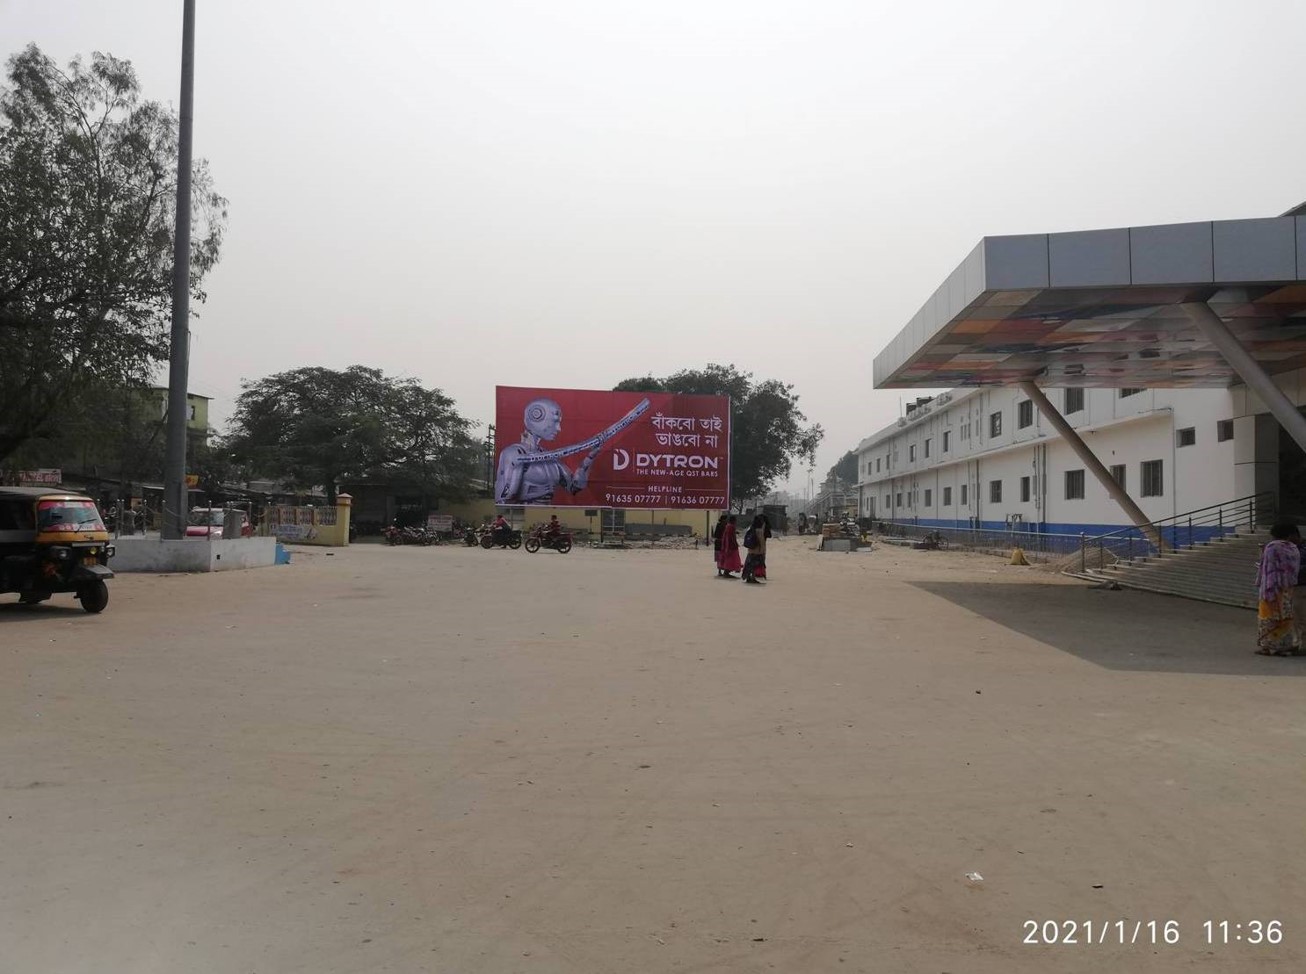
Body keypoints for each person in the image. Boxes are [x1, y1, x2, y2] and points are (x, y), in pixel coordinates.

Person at [1255, 522, 1302, 656]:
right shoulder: (1293, 548)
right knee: (1285, 617)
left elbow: (1265, 567)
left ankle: (1267, 647)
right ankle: (1283, 646)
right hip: (1286, 589)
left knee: (1267, 617)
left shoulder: (1271, 548)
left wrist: (1260, 582)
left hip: (1270, 588)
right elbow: (1293, 569)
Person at [741, 514, 766, 584]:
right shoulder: (759, 531)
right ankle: (753, 578)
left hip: (751, 550)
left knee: (749, 565)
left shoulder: (751, 529)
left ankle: (748, 577)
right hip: (757, 551)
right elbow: (762, 542)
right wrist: (763, 551)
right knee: (755, 566)